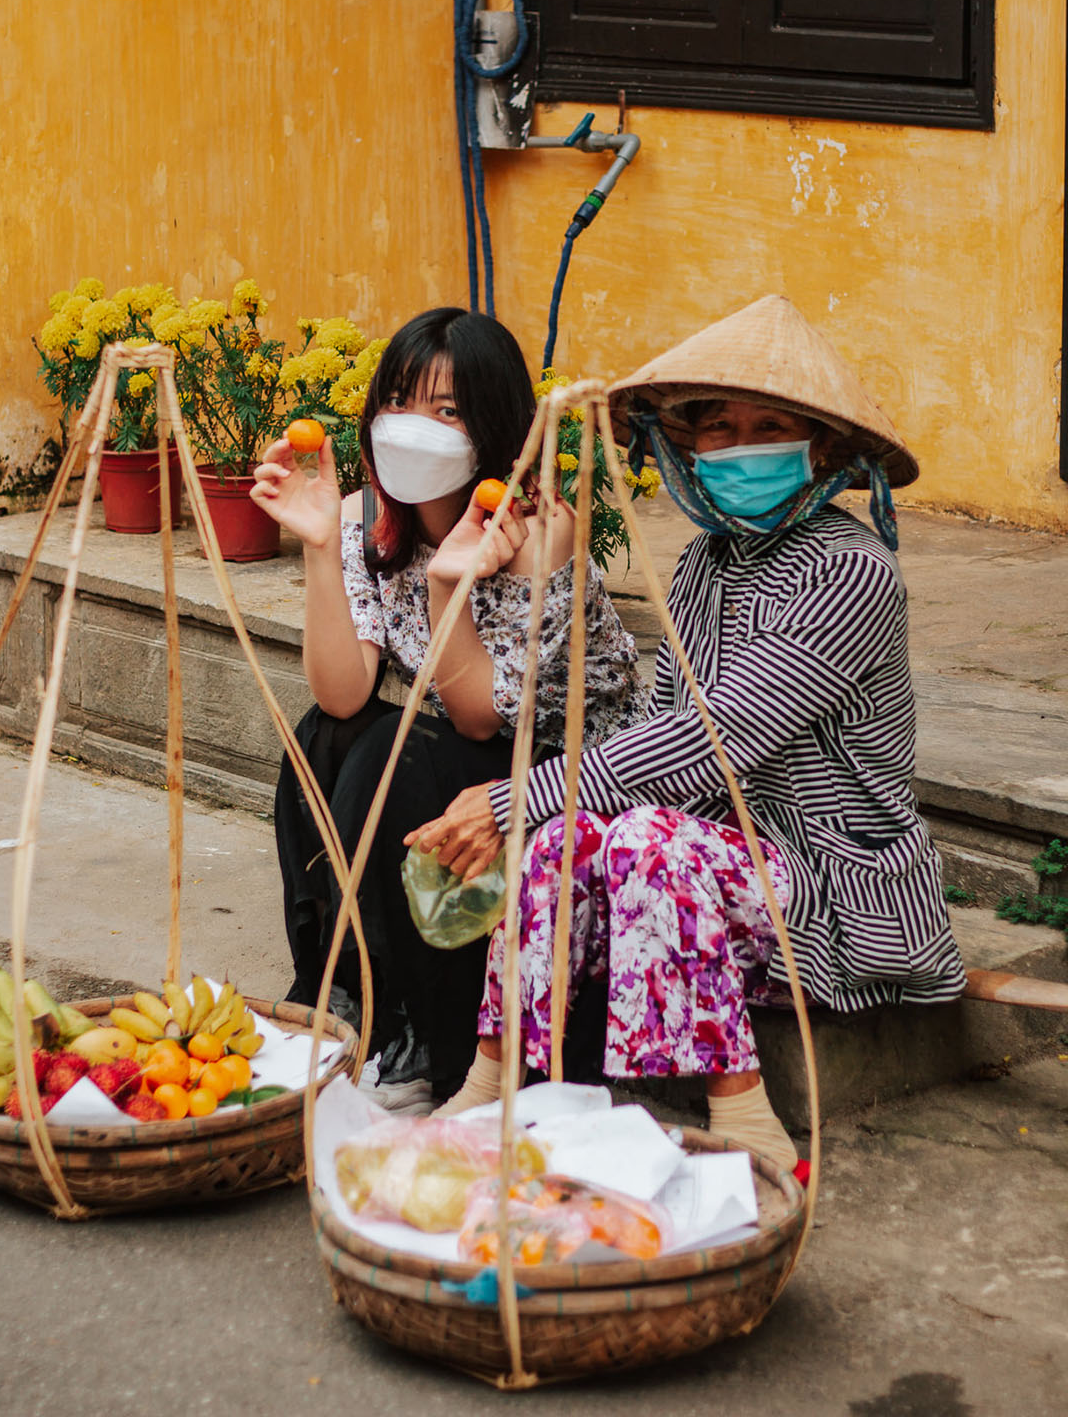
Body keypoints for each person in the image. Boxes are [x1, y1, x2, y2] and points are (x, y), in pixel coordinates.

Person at [412, 295, 965, 1168]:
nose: (740, 444)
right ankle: (493, 1080)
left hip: (834, 886)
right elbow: (657, 727)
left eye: (768, 425)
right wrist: (552, 813)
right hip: (718, 862)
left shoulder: (853, 574)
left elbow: (716, 739)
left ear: (819, 447)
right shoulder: (707, 564)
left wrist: (518, 794)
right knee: (568, 839)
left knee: (640, 836)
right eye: (718, 428)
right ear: (691, 448)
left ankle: (743, 1116)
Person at [251, 306, 651, 1107]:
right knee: (324, 741)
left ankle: (435, 1046)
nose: (413, 428)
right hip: (476, 745)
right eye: (399, 400)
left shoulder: (539, 532)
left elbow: (479, 718)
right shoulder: (369, 516)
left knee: (396, 759)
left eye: (447, 410)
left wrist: (448, 585)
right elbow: (343, 691)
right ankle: (347, 995)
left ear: (493, 429)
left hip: (563, 776)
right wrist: (323, 543)